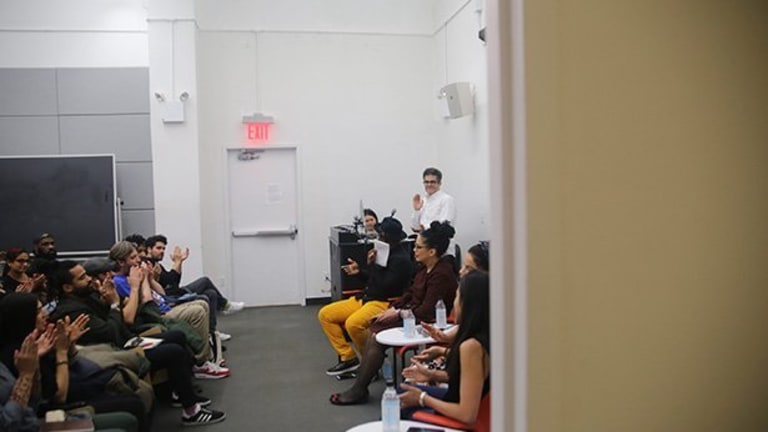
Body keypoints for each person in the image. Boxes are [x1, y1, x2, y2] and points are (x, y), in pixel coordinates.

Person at [47, 261, 226, 426]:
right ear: (68, 287)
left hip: (122, 342)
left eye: (87, 274)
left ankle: (179, 391)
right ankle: (192, 411)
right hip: (111, 353)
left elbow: (117, 322)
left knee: (176, 336)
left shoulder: (87, 298)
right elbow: (112, 333)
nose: (89, 279)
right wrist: (114, 304)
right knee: (173, 352)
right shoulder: (72, 311)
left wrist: (108, 299)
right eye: (82, 278)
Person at [329, 221, 458, 405]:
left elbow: (426, 311)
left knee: (376, 335)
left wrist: (397, 313)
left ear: (432, 251)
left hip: (429, 322)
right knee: (375, 330)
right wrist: (394, 308)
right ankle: (362, 383)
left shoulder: (441, 274)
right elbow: (410, 294)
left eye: (419, 247)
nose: (414, 250)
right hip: (413, 315)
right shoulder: (424, 269)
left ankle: (360, 388)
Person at [0, 293, 143, 432]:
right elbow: (59, 396)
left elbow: (37, 396)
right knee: (130, 406)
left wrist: (70, 345)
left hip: (66, 388)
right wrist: (61, 351)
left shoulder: (36, 341)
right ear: (23, 318)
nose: (44, 313)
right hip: (56, 408)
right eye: (38, 311)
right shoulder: (17, 354)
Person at [108, 241, 229, 378]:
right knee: (198, 311)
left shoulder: (133, 275)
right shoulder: (121, 281)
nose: (138, 260)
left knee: (202, 302)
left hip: (165, 304)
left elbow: (162, 294)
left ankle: (208, 349)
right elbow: (147, 303)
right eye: (133, 258)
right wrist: (143, 281)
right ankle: (201, 362)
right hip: (156, 314)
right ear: (121, 262)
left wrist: (150, 278)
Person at [318, 217, 413, 376]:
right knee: (326, 315)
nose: (377, 236)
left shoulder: (401, 260)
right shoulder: (384, 252)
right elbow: (374, 280)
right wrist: (360, 271)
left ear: (386, 237)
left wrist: (373, 265)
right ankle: (348, 357)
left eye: (380, 234)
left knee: (353, 324)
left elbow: (385, 286)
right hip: (367, 298)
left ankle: (372, 363)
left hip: (384, 302)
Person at [399, 271, 490, 425]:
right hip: (460, 401)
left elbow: (467, 415)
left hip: (458, 419)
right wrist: (432, 375)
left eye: (457, 297)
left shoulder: (471, 347)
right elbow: (472, 379)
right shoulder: (486, 335)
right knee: (400, 393)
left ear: (467, 303)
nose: (454, 303)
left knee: (397, 406)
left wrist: (422, 399)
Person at [144, 235, 244, 340]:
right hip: (171, 297)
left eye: (163, 248)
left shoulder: (157, 264)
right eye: (158, 248)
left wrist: (179, 262)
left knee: (211, 293)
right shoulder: (149, 264)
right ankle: (225, 305)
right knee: (204, 281)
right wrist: (177, 262)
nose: (162, 251)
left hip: (174, 292)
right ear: (149, 249)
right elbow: (168, 286)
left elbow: (173, 282)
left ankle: (212, 333)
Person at [411, 168, 456, 233]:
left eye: (432, 182)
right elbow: (415, 227)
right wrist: (416, 210)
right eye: (426, 182)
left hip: (439, 242)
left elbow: (444, 227)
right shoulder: (423, 200)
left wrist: (424, 228)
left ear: (439, 183)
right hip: (422, 240)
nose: (429, 185)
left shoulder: (447, 200)